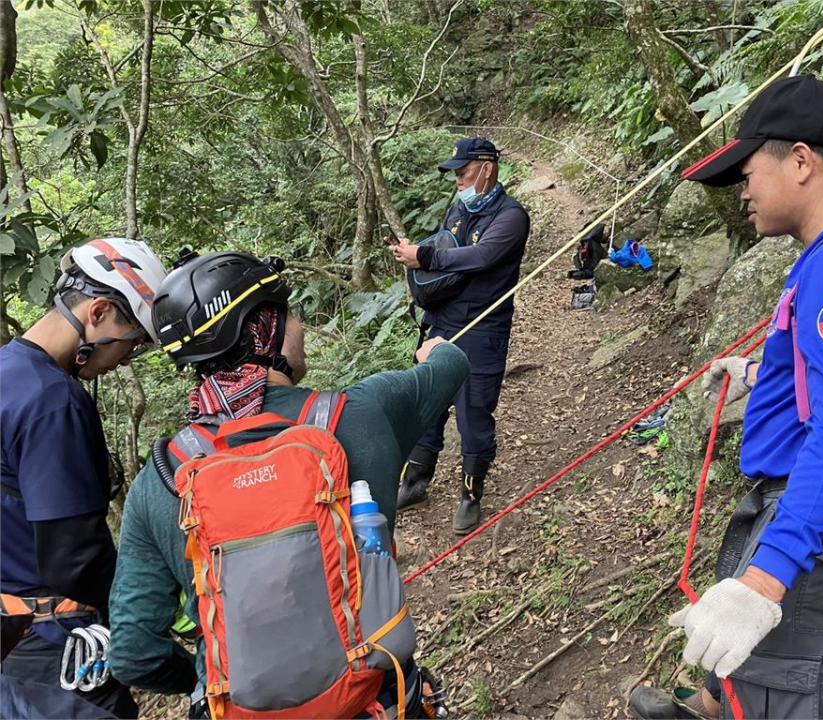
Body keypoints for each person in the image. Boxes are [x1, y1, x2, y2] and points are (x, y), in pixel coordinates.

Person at [629, 75, 823, 720]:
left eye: (748, 171)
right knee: (755, 689)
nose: (742, 190)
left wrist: (763, 584)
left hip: (821, 527)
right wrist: (759, 376)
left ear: (801, 160)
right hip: (818, 520)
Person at [107, 250, 469, 717]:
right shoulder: (359, 414)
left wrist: (204, 676)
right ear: (266, 328)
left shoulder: (162, 478)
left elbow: (134, 652)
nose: (298, 328)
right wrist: (433, 350)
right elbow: (452, 363)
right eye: (289, 313)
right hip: (370, 700)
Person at [1, 238, 168, 719]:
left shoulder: (6, 372)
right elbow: (74, 556)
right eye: (131, 340)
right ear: (97, 312)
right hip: (55, 647)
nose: (125, 357)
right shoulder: (50, 400)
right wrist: (144, 614)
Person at [391, 137, 530, 534]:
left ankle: (471, 493)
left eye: (464, 172)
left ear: (487, 168)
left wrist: (427, 257)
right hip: (443, 321)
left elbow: (481, 256)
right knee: (428, 402)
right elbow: (445, 247)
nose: (459, 181)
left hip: (484, 326)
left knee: (472, 412)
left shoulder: (511, 216)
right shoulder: (458, 209)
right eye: (455, 174)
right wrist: (418, 262)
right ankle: (415, 482)